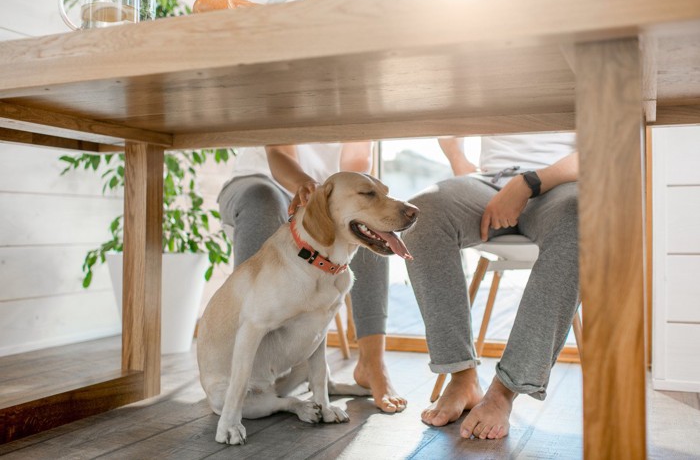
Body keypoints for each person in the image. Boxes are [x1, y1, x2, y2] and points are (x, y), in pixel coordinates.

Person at [401, 133, 579, 439]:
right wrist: (460, 161)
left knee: (586, 217)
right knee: (421, 215)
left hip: (561, 182)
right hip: (487, 181)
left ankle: (503, 392)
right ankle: (462, 377)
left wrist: (528, 183)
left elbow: (603, 148)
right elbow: (450, 127)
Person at [217, 142, 406, 413]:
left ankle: (372, 364)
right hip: (261, 179)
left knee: (365, 221)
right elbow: (279, 153)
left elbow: (357, 159)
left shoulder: (361, 101)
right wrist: (305, 184)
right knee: (263, 199)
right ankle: (241, 378)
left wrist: (347, 200)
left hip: (329, 192)